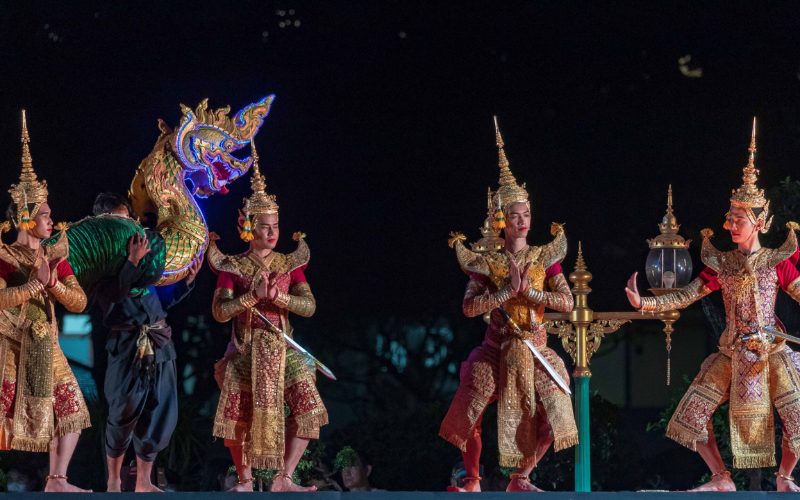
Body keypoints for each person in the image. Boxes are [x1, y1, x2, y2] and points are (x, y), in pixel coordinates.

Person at [626, 119, 800, 492]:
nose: (729, 225)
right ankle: (721, 477)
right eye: (729, 218)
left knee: (798, 416)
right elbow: (686, 295)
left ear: (759, 223)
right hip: (732, 350)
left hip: (771, 351)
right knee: (692, 413)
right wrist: (645, 304)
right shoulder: (722, 264)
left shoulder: (776, 262)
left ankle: (784, 477)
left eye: (738, 219)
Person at [440, 118, 577, 492]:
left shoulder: (545, 257)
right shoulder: (488, 261)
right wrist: (504, 294)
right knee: (470, 411)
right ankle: (472, 479)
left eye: (526, 214)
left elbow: (566, 302)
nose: (522, 221)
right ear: (501, 220)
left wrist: (531, 294)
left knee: (558, 411)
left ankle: (521, 477)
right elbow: (469, 308)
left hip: (535, 347)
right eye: (514, 215)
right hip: (495, 349)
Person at [209, 143, 326, 492]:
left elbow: (309, 306)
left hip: (283, 348)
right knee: (237, 415)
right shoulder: (232, 266)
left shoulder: (290, 264)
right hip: (245, 349)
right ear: (248, 226)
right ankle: (245, 480)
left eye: (275, 225)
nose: (272, 233)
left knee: (308, 407)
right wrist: (252, 298)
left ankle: (284, 477)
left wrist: (279, 298)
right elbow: (220, 312)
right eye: (264, 226)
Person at [0, 110, 90, 492]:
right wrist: (33, 286)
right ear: (27, 216)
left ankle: (57, 480)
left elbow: (79, 303)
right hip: (10, 344)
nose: (52, 222)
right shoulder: (5, 256)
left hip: (46, 343)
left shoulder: (55, 256)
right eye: (46, 215)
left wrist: (52, 284)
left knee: (72, 410)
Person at [90, 191, 201, 492]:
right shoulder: (100, 264)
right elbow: (112, 301)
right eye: (119, 220)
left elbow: (158, 305)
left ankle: (143, 481)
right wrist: (130, 262)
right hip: (127, 347)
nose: (126, 227)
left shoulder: (144, 260)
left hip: (160, 344)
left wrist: (186, 283)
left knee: (159, 410)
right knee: (122, 411)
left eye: (128, 219)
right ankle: (114, 481)